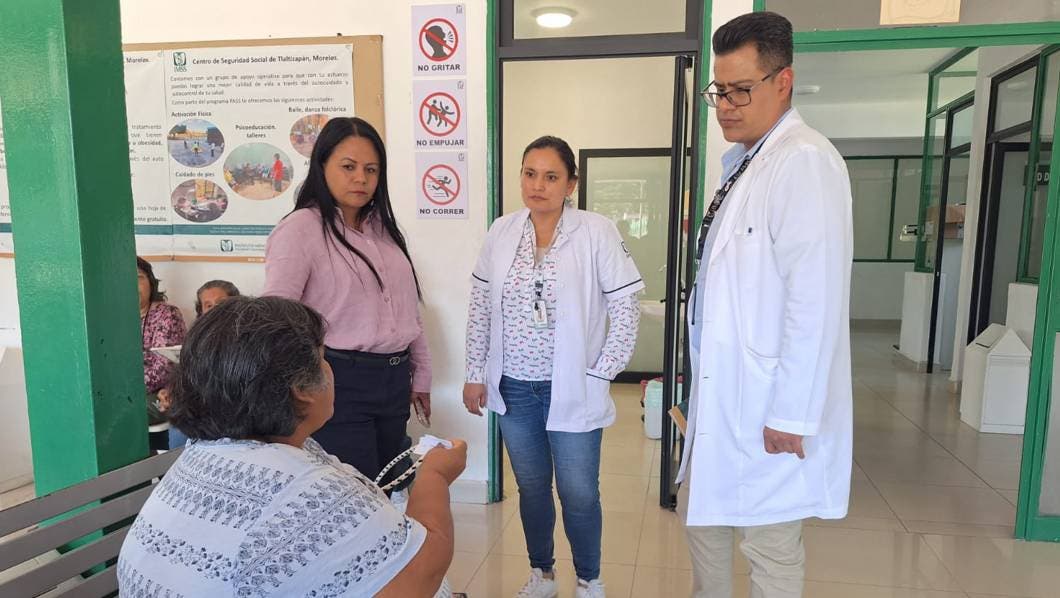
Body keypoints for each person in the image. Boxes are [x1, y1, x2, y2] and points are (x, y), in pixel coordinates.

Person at [117, 296, 466, 597]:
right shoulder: (305, 488)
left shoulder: (204, 453)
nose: (330, 369)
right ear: (301, 388)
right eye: (324, 357)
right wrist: (434, 476)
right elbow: (422, 575)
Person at [678, 12, 853, 598]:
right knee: (703, 524)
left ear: (784, 82)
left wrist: (793, 413)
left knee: (770, 548)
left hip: (769, 407)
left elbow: (816, 297)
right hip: (725, 394)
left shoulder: (804, 161)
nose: (726, 106)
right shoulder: (744, 163)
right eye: (719, 91)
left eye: (741, 90)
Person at [462, 136, 643, 598]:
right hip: (514, 388)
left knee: (579, 492)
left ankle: (589, 580)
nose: (537, 185)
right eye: (529, 173)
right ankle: (542, 574)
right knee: (532, 487)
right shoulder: (502, 231)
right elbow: (480, 305)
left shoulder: (596, 231)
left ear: (570, 184)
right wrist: (474, 372)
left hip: (573, 387)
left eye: (550, 176)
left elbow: (626, 307)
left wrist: (603, 372)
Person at [264, 116, 431, 497]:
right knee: (353, 493)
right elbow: (278, 320)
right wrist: (299, 388)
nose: (361, 179)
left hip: (393, 379)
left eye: (371, 170)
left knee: (388, 486)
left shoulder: (383, 231)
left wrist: (421, 374)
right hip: (337, 380)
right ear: (322, 166)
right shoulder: (300, 229)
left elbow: (409, 310)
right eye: (348, 167)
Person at [137, 257, 186, 433]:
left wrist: (123, 389)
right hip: (123, 392)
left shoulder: (167, 314)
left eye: (138, 277)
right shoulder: (112, 317)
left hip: (162, 393)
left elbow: (164, 369)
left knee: (126, 411)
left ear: (151, 283)